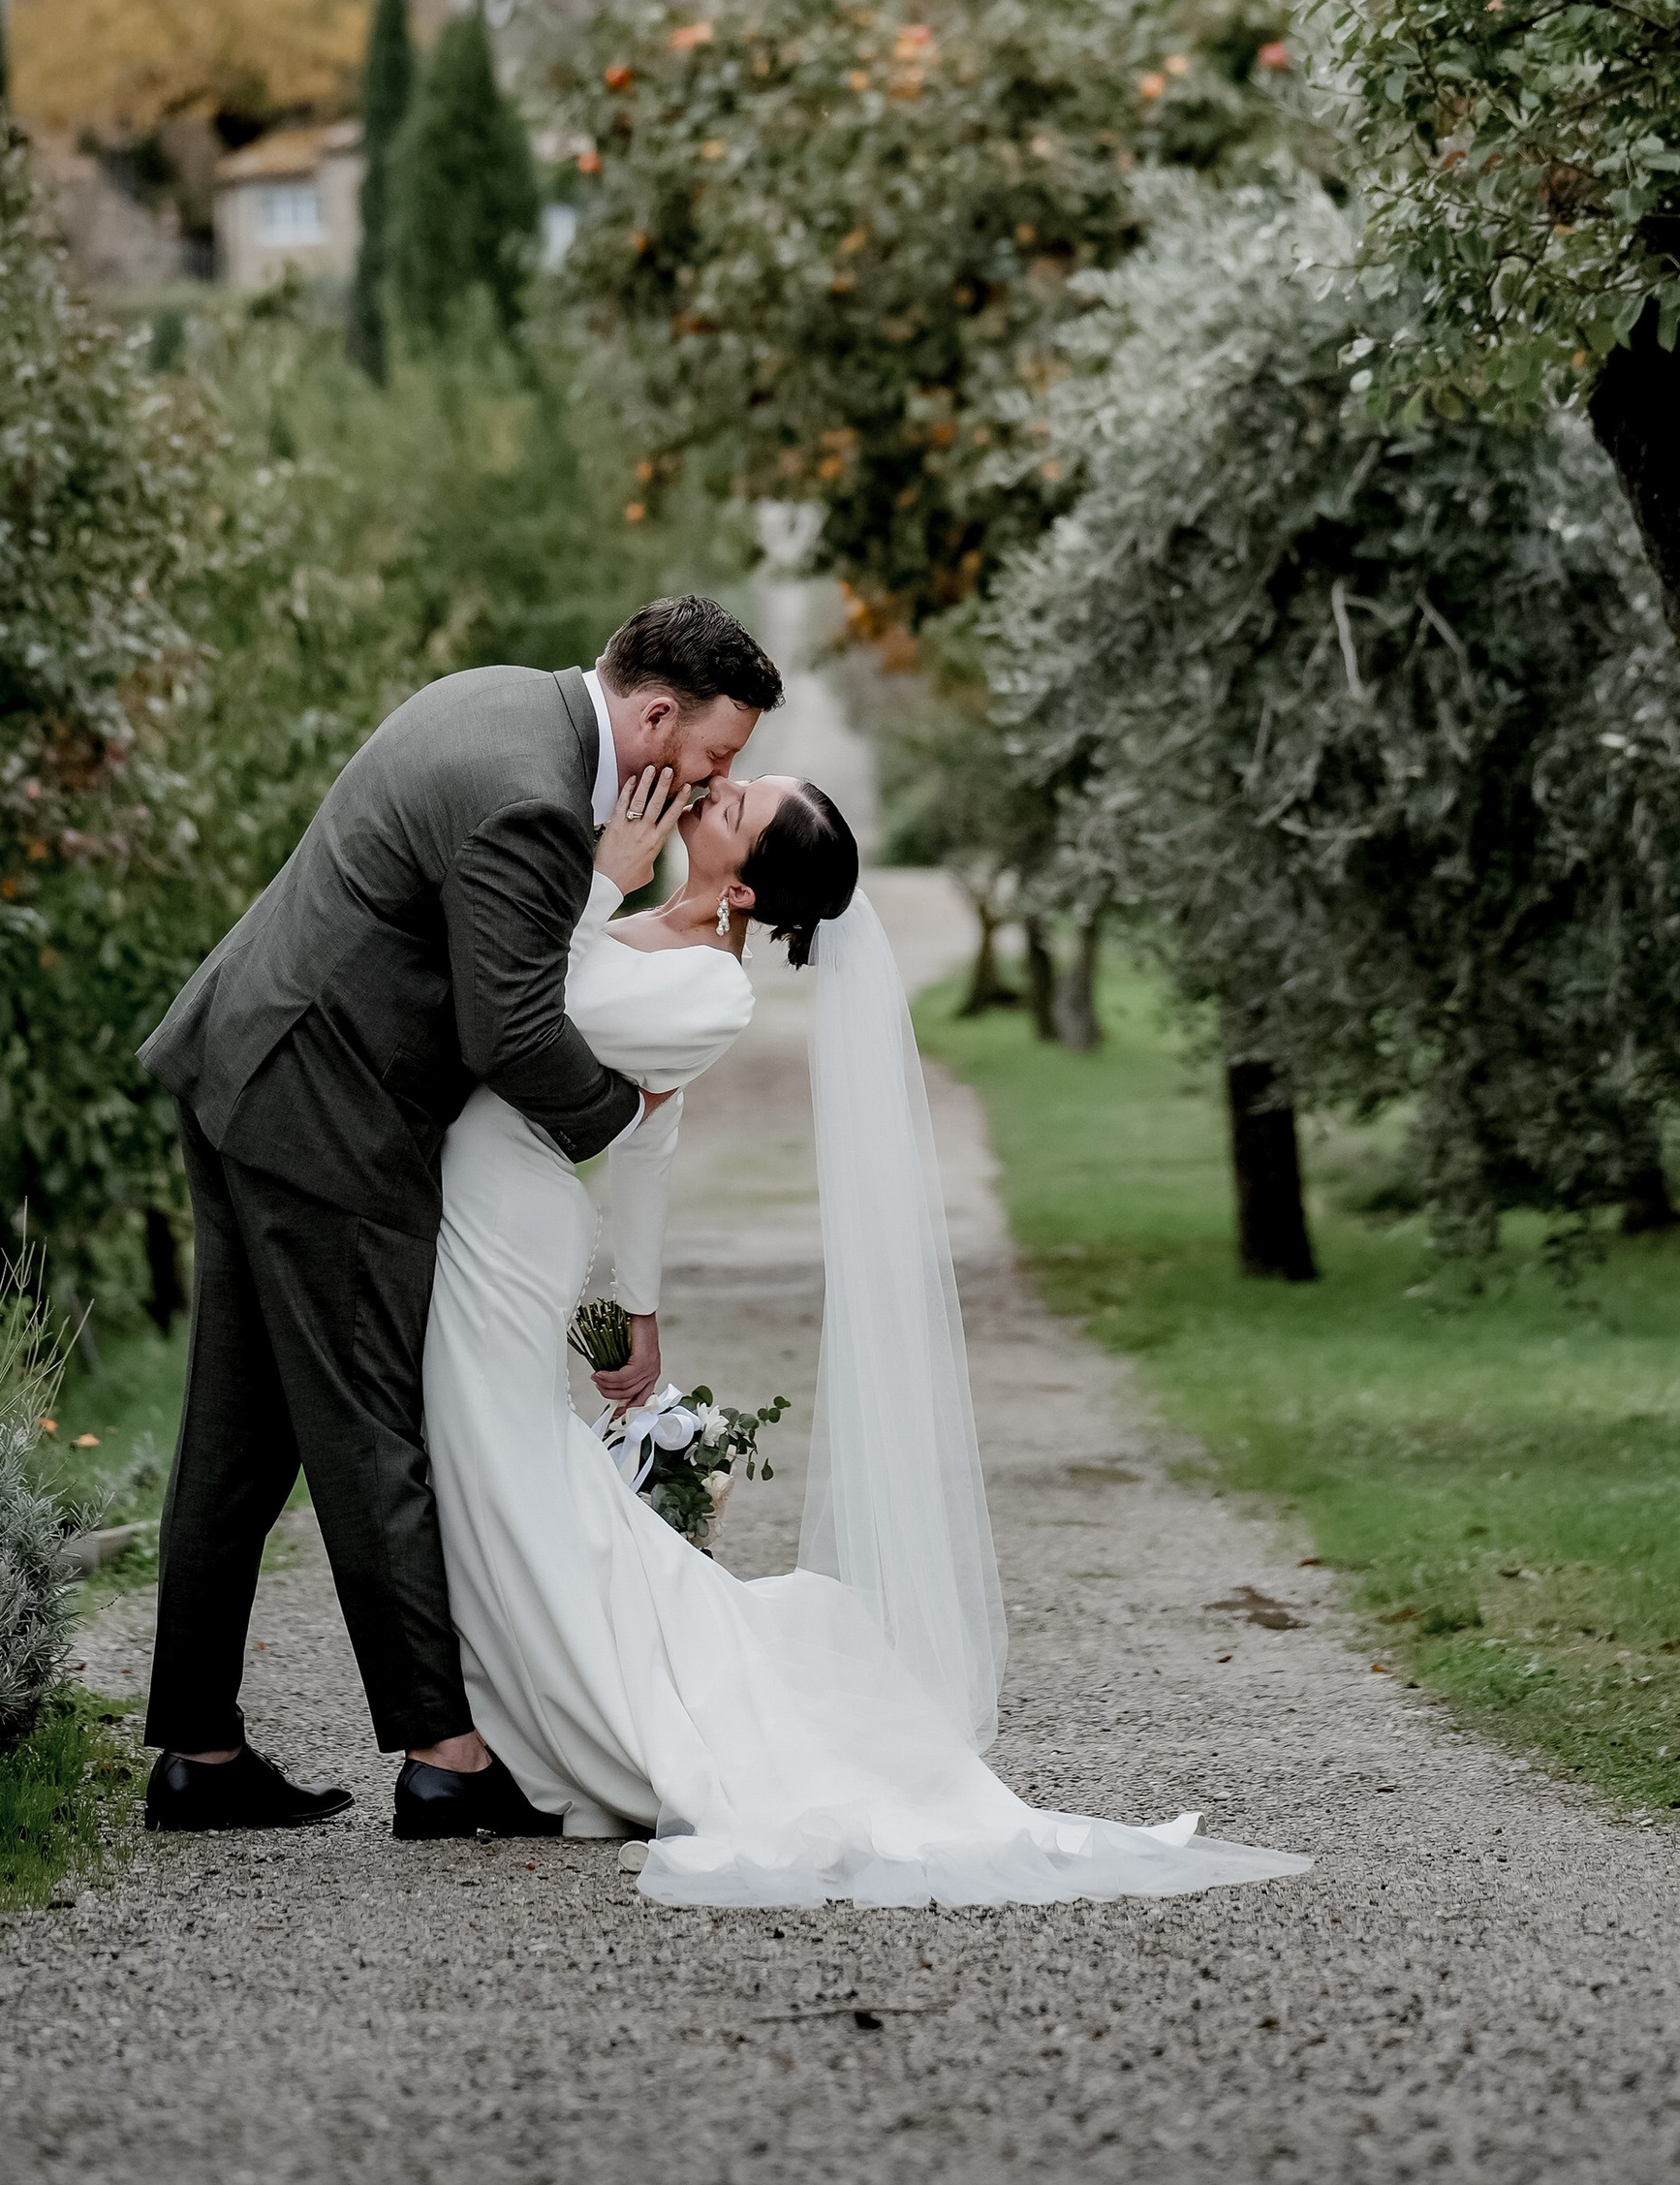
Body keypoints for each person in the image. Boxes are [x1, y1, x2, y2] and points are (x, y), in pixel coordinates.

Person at [423, 764, 1312, 1907]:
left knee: (503, 1470)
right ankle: (503, 1721)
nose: (717, 789)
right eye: (738, 781)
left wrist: (595, 882)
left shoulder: (706, 986)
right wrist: (631, 1313)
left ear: (743, 891)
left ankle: (515, 1733)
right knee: (500, 1472)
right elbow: (635, 1146)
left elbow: (531, 1009)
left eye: (736, 807)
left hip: (512, 1214)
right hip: (504, 1208)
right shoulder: (657, 923)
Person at [136, 594, 782, 1839]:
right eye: (715, 753)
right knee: (373, 1423)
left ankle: (199, 1754)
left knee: (242, 1428)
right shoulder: (535, 802)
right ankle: (446, 1758)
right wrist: (623, 1109)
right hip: (323, 1112)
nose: (715, 776)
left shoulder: (502, 697)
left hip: (249, 1065)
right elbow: (513, 1030)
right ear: (655, 714)